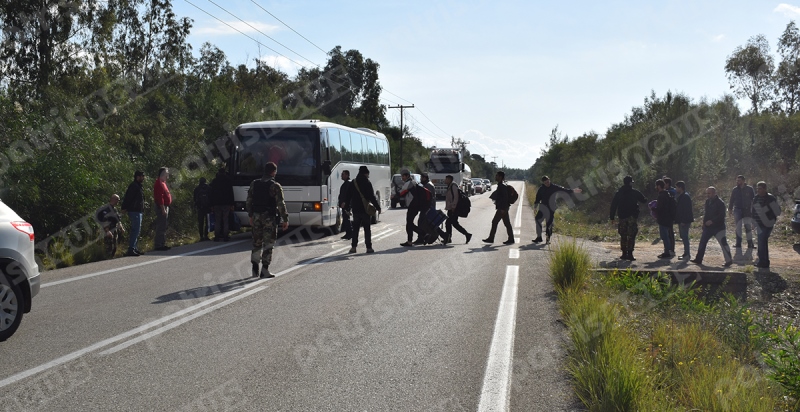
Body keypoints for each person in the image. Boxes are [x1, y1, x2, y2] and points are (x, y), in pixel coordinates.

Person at [247, 162, 289, 278]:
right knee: (268, 244)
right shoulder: (275, 186)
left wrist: (251, 215)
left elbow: (249, 201)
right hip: (269, 218)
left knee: (256, 243)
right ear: (273, 172)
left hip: (256, 217)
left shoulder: (254, 184)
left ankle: (254, 270)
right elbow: (280, 204)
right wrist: (285, 219)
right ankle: (264, 270)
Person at [532, 175, 583, 244]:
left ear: (549, 180)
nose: (547, 183)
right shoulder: (541, 189)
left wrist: (573, 190)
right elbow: (538, 198)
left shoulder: (554, 187)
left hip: (551, 208)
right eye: (546, 183)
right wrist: (535, 207)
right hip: (543, 207)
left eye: (548, 181)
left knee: (549, 224)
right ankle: (539, 237)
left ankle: (548, 239)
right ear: (543, 183)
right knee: (537, 220)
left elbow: (564, 190)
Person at [609, 175, 648, 261]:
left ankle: (624, 254)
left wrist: (612, 217)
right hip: (632, 217)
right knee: (631, 235)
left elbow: (613, 205)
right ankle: (630, 254)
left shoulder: (619, 193)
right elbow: (644, 200)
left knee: (623, 235)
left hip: (622, 217)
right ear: (630, 183)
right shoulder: (635, 192)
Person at [691, 187, 733, 266]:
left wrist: (712, 221)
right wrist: (704, 223)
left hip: (718, 227)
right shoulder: (707, 202)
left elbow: (722, 216)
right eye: (707, 193)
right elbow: (706, 214)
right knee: (702, 242)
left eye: (709, 193)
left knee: (723, 244)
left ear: (714, 193)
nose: (707, 195)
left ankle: (729, 260)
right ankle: (698, 259)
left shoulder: (720, 203)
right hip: (708, 227)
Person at [348, 165, 381, 253]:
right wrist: (378, 207)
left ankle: (353, 247)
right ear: (366, 173)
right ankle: (368, 248)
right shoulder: (367, 182)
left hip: (355, 209)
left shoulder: (353, 182)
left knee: (355, 229)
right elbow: (372, 196)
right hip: (365, 209)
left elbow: (349, 196)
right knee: (367, 229)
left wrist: (348, 207)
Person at [751, 181, 782, 269]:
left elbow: (778, 211)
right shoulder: (756, 198)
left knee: (761, 241)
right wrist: (753, 222)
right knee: (762, 242)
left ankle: (763, 262)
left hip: (767, 224)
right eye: (757, 189)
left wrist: (768, 216)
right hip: (758, 223)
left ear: (765, 189)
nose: (758, 190)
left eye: (760, 189)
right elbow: (753, 211)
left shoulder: (770, 198)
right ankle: (764, 262)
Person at [484, 171, 515, 245]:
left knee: (494, 222)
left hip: (502, 208)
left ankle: (491, 238)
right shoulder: (501, 185)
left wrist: (502, 209)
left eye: (497, 176)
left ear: (500, 177)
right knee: (507, 223)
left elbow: (505, 198)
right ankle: (511, 239)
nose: (496, 177)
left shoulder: (502, 186)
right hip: (504, 207)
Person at [121, 170, 146, 256]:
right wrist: (124, 207)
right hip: (134, 210)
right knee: (135, 229)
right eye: (142, 176)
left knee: (137, 230)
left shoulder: (139, 186)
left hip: (139, 211)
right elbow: (128, 197)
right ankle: (131, 249)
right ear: (137, 177)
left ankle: (134, 247)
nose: (143, 178)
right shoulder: (134, 186)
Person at [728, 175, 755, 249]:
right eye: (737, 180)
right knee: (738, 227)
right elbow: (731, 200)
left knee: (748, 227)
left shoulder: (749, 189)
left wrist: (754, 210)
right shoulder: (735, 190)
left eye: (739, 180)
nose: (737, 182)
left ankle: (750, 244)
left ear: (743, 181)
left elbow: (753, 200)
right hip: (737, 209)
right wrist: (730, 209)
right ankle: (738, 244)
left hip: (747, 210)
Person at [444, 174, 472, 244]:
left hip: (454, 208)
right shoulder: (450, 186)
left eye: (446, 179)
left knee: (450, 223)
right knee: (452, 223)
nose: (445, 180)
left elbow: (456, 197)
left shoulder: (453, 186)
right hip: (451, 208)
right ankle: (449, 237)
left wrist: (453, 207)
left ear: (450, 180)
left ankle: (466, 235)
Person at [398, 170, 423, 247]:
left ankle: (422, 234)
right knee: (409, 223)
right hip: (416, 205)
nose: (402, 178)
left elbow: (401, 193)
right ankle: (411, 240)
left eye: (403, 176)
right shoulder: (414, 182)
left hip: (413, 205)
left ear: (407, 176)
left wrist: (396, 195)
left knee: (409, 224)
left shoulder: (408, 183)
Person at [210, 167, 234, 242]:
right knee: (225, 220)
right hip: (226, 203)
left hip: (216, 204)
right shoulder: (228, 180)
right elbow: (231, 193)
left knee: (218, 220)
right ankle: (225, 236)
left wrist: (212, 205)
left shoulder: (214, 181)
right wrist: (232, 204)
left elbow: (211, 194)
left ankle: (216, 236)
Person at [655, 179, 676, 259]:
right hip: (668, 219)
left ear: (659, 186)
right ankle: (669, 250)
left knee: (665, 236)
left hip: (663, 219)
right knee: (667, 236)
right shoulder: (668, 194)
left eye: (656, 186)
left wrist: (654, 209)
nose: (656, 187)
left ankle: (667, 252)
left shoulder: (661, 196)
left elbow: (660, 208)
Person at [674, 181, 695, 259]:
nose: (676, 189)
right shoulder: (682, 196)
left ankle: (687, 254)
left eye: (676, 187)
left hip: (684, 221)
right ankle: (686, 253)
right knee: (683, 236)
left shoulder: (685, 197)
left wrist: (683, 221)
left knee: (685, 237)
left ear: (680, 188)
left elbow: (686, 210)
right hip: (682, 220)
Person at [153, 167, 172, 251]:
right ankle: (158, 245)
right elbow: (159, 197)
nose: (168, 174)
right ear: (163, 173)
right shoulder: (159, 183)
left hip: (165, 206)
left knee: (164, 226)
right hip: (161, 207)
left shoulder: (163, 182)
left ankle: (162, 243)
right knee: (161, 226)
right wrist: (163, 209)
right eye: (167, 172)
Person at [663, 177, 677, 255]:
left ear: (667, 184)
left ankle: (671, 249)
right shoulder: (671, 191)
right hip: (668, 216)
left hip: (669, 216)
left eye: (664, 183)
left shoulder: (671, 192)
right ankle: (669, 248)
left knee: (670, 233)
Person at [338, 169, 353, 240]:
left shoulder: (348, 183)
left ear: (347, 175)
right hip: (344, 204)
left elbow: (348, 195)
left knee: (347, 219)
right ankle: (348, 233)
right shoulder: (345, 183)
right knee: (345, 219)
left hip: (346, 205)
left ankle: (350, 233)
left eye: (343, 174)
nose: (341, 175)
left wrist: (345, 203)